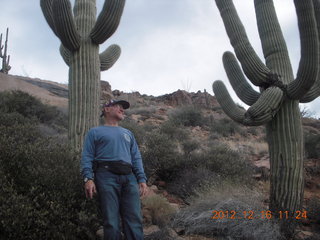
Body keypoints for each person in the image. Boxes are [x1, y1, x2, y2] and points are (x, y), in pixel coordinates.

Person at [81, 99, 148, 240]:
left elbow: (136, 157)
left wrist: (141, 178)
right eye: (118, 106)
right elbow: (87, 156)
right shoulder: (95, 132)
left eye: (123, 108)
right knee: (111, 221)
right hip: (106, 176)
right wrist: (88, 178)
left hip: (129, 177)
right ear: (106, 109)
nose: (122, 109)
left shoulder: (128, 133)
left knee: (134, 219)